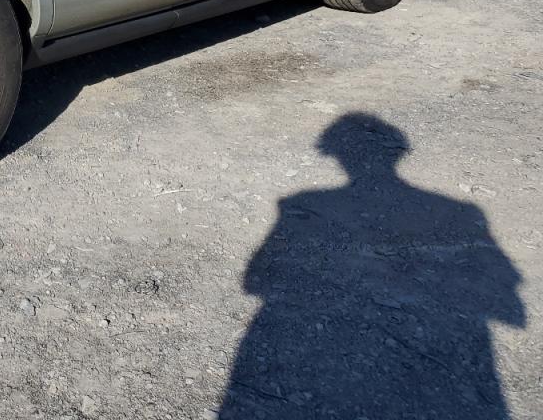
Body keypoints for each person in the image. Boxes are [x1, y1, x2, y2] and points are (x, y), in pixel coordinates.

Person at [218, 113, 525, 418]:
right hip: (448, 375)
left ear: (335, 155)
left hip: (304, 353)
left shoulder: (300, 202)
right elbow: (506, 299)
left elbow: (253, 281)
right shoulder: (463, 211)